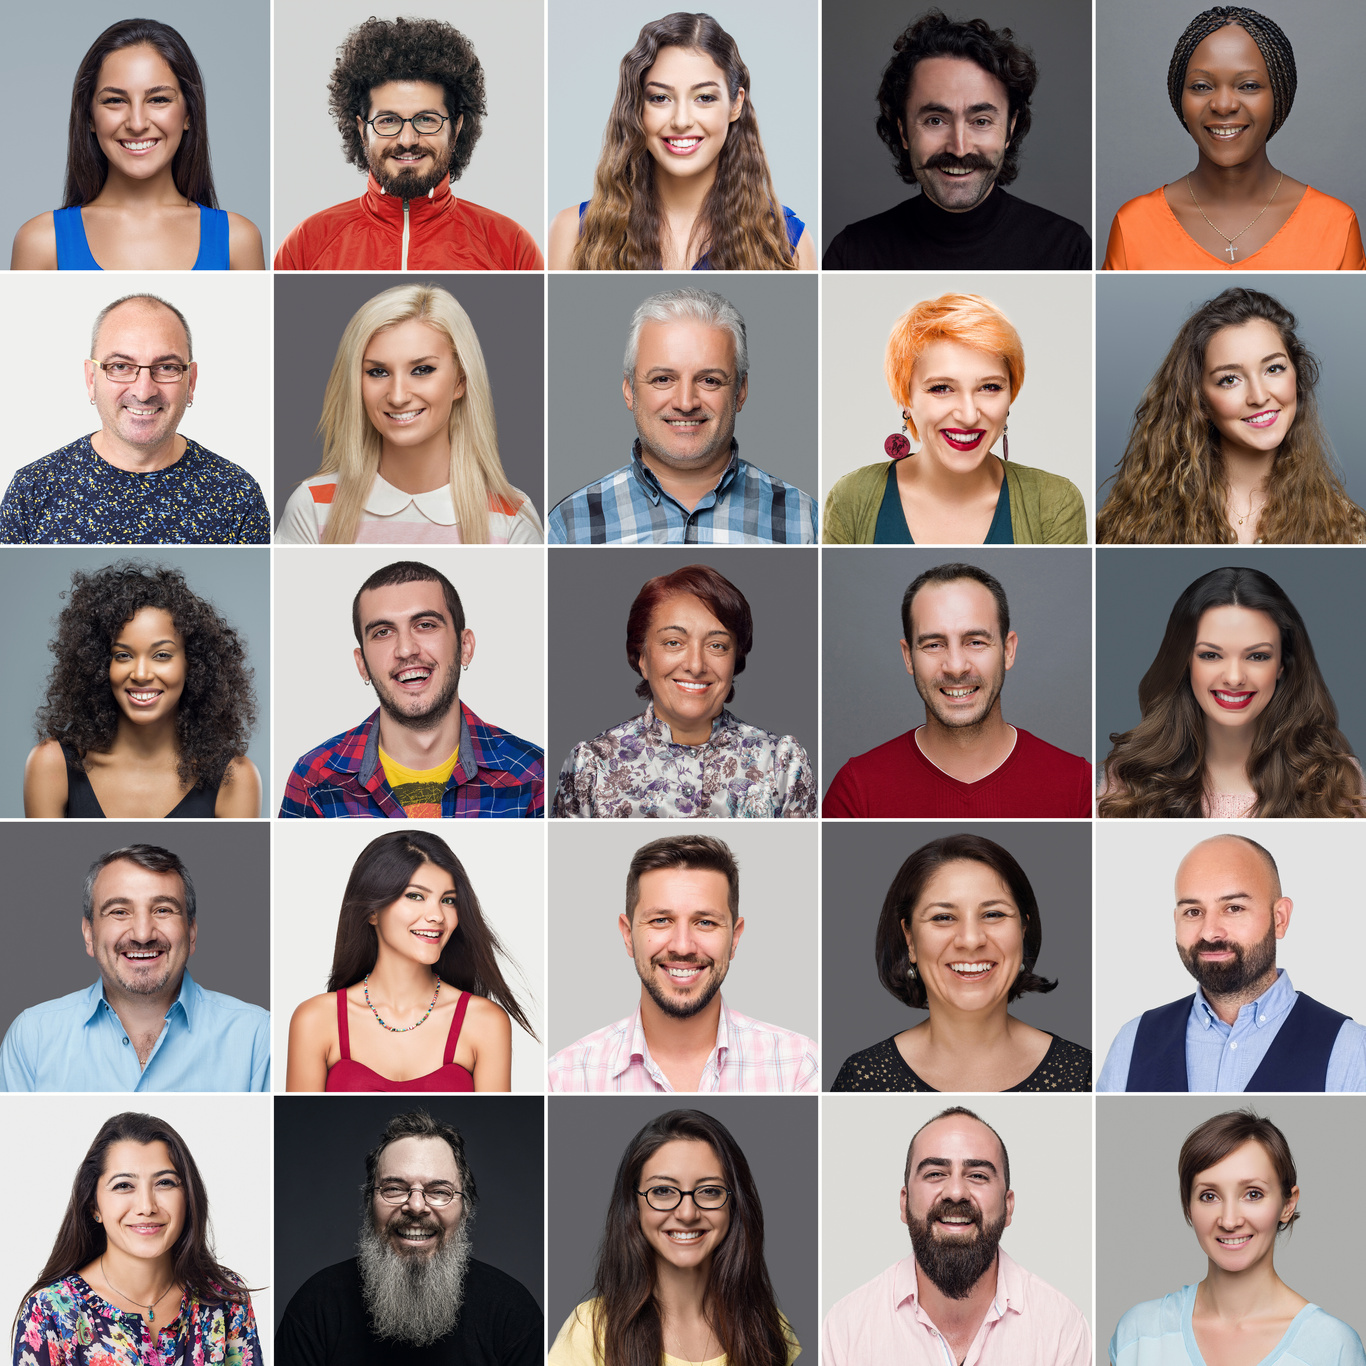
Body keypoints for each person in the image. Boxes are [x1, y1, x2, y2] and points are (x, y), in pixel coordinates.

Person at [276, 284, 543, 545]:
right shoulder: (312, 507)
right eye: (377, 372)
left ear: (460, 381)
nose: (398, 396)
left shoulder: (513, 519)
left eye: (422, 369)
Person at [548, 835, 818, 1092]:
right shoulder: (565, 1077)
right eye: (661, 920)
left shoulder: (800, 1066)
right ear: (628, 935)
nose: (683, 946)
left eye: (705, 922)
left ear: (735, 938)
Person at [1098, 835, 1366, 1093]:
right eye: (1193, 912)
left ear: (1280, 919)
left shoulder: (1351, 1048)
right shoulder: (1132, 1041)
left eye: (1234, 908)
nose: (1210, 932)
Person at [823, 12, 1091, 270]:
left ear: (1010, 129)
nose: (959, 149)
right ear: (903, 131)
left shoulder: (1069, 251)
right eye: (936, 120)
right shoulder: (851, 254)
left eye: (981, 121)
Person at [822, 1106, 1090, 1363]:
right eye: (936, 1173)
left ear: (1008, 1206)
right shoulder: (845, 1330)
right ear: (904, 1203)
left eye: (977, 1175)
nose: (956, 1192)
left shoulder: (1063, 1329)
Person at [1097, 288, 1366, 544]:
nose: (1259, 397)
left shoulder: (1350, 529)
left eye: (1273, 369)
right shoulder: (1132, 525)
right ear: (1198, 400)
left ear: (1297, 376)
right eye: (1229, 379)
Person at [548, 12, 815, 270]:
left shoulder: (788, 241)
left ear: (736, 104)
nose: (681, 120)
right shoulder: (573, 232)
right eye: (660, 98)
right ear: (637, 108)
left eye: (705, 97)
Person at [548, 289, 817, 544]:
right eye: (663, 379)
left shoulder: (805, 520)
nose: (686, 403)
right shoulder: (569, 524)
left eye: (709, 380)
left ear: (741, 391)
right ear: (629, 391)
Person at [279, 560, 544, 818]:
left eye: (425, 625)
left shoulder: (532, 773)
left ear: (465, 647)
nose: (406, 649)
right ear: (362, 664)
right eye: (383, 632)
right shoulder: (313, 779)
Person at [1104, 7, 1364, 271]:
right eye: (1201, 86)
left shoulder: (1336, 224)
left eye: (1249, 86)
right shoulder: (1134, 225)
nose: (1223, 105)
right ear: (1180, 101)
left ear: (1279, 97)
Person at [823, 563, 1092, 817]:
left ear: (1008, 651)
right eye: (934, 645)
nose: (955, 667)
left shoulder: (1080, 786)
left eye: (975, 642)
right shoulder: (856, 790)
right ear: (908, 657)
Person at [276, 1109, 543, 1364]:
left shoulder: (513, 1312)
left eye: (439, 1191)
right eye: (394, 1188)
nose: (416, 1206)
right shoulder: (315, 1306)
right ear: (368, 1202)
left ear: (466, 1206)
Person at [275, 17, 542, 270]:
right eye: (388, 120)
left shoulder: (511, 246)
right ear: (361, 129)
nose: (407, 140)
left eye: (426, 119)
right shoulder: (306, 245)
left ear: (457, 127)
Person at [0, 294, 270, 544]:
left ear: (191, 381)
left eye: (166, 367)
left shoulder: (236, 493)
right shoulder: (33, 488)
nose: (143, 391)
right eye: (120, 366)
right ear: (91, 378)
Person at [0, 844, 270, 1091]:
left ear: (192, 933)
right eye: (119, 911)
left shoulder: (257, 1037)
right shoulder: (32, 1038)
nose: (143, 934)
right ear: (88, 935)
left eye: (163, 910)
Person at [1099, 567, 1363, 818]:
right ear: (1185, 662)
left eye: (1257, 656)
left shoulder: (1335, 782)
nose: (1235, 678)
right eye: (1211, 655)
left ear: (1282, 664)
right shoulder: (1129, 780)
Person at [553, 565, 815, 818]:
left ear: (735, 660)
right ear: (642, 657)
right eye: (674, 642)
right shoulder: (592, 766)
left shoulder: (781, 764)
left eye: (717, 645)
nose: (696, 665)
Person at [832, 834, 1090, 1092]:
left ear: (1023, 930)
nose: (970, 940)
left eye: (993, 914)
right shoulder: (863, 1078)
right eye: (943, 917)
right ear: (909, 939)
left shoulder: (1081, 1074)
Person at [823, 294, 1086, 544]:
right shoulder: (851, 498)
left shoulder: (1055, 502)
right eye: (941, 388)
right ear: (906, 398)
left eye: (990, 387)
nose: (969, 415)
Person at [286, 830, 536, 1092]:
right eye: (416, 896)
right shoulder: (315, 1019)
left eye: (448, 900)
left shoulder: (485, 1022)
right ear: (372, 911)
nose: (437, 916)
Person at [1110, 1111, 1366, 1365]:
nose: (1229, 1221)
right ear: (1188, 1207)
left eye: (1253, 1194)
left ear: (1288, 1204)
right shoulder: (1137, 1335)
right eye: (1209, 1196)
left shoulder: (1333, 1347)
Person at [549, 1109, 801, 1363]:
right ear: (634, 1205)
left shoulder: (768, 1325)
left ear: (734, 1205)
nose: (687, 1213)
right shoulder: (591, 1330)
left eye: (710, 1191)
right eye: (663, 1190)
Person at [10, 19, 264, 271]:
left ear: (188, 115)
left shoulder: (238, 241)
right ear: (90, 118)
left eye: (159, 99)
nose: (137, 123)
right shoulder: (41, 243)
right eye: (115, 100)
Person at [12, 1111, 262, 1364]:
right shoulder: (49, 1311)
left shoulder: (225, 1297)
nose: (146, 1206)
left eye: (165, 1183)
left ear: (188, 1197)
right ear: (94, 1206)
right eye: (123, 1185)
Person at [23, 562, 261, 819]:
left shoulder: (234, 778)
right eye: (123, 655)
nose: (141, 674)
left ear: (191, 663)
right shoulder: (51, 764)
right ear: (101, 664)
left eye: (161, 655)